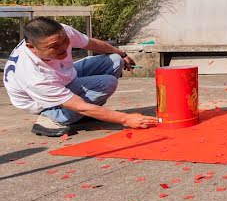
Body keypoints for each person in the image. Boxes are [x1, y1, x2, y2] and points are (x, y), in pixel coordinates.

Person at [3, 17, 157, 137]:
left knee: (115, 60)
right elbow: (78, 105)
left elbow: (91, 43)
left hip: (64, 76)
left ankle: (84, 113)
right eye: (54, 46)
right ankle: (51, 118)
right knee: (107, 83)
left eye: (65, 41)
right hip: (41, 101)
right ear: (31, 48)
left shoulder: (61, 32)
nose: (64, 47)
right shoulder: (32, 76)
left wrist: (122, 54)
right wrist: (126, 119)